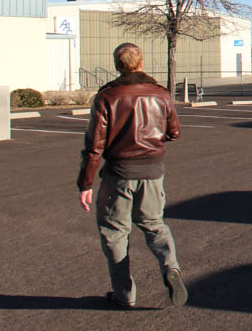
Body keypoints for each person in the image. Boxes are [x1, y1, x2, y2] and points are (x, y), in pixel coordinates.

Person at [77, 42, 187, 308]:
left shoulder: (107, 97)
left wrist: (86, 183)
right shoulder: (160, 94)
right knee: (154, 224)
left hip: (119, 173)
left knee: (114, 231)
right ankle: (170, 267)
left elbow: (95, 145)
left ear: (117, 65)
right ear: (140, 63)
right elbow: (174, 132)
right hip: (153, 170)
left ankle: (124, 293)